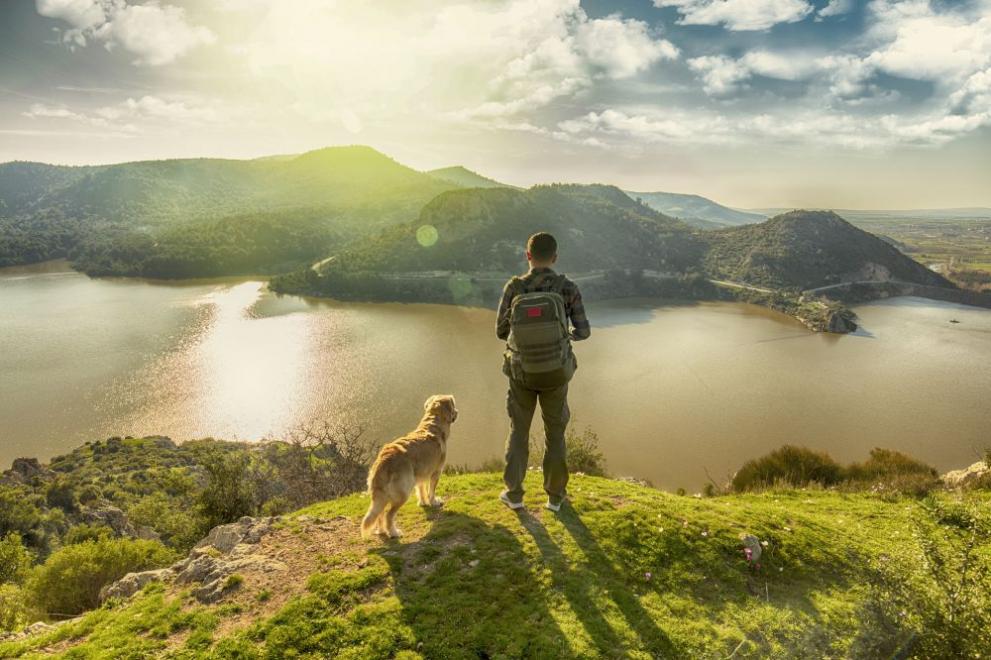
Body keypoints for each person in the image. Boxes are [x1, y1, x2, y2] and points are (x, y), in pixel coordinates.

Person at [496, 232, 590, 512]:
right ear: (555, 257)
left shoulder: (514, 288)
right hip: (556, 374)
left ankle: (514, 495)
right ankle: (555, 497)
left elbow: (501, 331)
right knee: (555, 433)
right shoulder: (568, 287)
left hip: (521, 373)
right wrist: (564, 336)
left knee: (518, 432)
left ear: (528, 256)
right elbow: (584, 331)